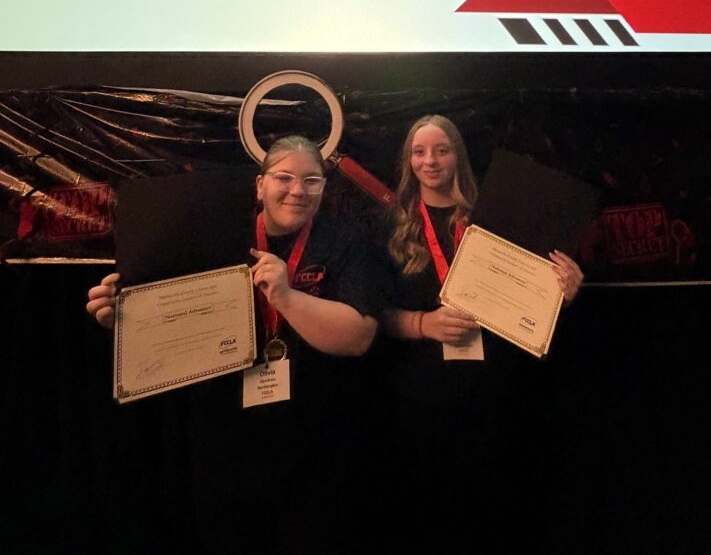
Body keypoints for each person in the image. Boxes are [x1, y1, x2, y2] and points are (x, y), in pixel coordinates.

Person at [86, 135, 385, 554]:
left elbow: (358, 338)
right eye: (284, 177)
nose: (298, 190)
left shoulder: (347, 242)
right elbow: (167, 320)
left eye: (311, 180)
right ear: (259, 185)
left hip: (316, 441)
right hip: (224, 441)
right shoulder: (211, 234)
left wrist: (285, 295)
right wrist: (124, 317)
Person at [376, 114, 584, 547]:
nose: (430, 161)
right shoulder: (391, 228)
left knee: (499, 511)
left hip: (496, 394)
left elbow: (531, 303)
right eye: (419, 151)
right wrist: (422, 324)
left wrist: (561, 292)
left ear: (459, 155)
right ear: (407, 160)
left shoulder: (497, 217)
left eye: (441, 150)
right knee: (431, 512)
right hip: (422, 399)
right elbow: (371, 317)